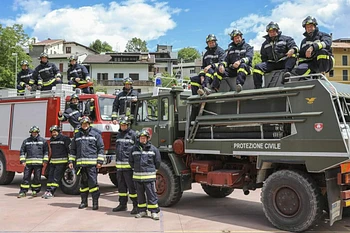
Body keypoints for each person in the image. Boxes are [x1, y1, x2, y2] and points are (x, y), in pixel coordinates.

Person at [68, 116, 105, 210]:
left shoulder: (96, 134)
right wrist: (71, 161)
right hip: (81, 165)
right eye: (83, 124)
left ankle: (95, 203)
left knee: (93, 184)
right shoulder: (77, 135)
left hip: (92, 165)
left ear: (89, 124)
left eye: (86, 124)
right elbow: (73, 149)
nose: (85, 125)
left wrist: (100, 161)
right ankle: (84, 202)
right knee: (83, 184)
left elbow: (101, 148)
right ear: (81, 124)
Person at [253, 22, 298, 89]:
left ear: (277, 30)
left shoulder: (287, 39)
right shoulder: (265, 44)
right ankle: (258, 88)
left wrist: (292, 50)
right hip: (272, 64)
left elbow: (295, 47)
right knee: (257, 67)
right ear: (268, 32)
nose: (272, 33)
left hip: (284, 62)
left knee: (294, 56)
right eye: (270, 31)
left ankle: (286, 75)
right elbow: (263, 57)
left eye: (273, 31)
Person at [129, 129, 161, 220]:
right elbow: (130, 161)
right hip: (137, 178)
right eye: (141, 138)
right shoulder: (133, 149)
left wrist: (153, 171)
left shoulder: (154, 149)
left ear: (148, 139)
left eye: (144, 138)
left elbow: (157, 162)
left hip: (149, 178)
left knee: (151, 195)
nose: (142, 140)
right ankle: (142, 211)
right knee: (140, 195)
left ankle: (154, 212)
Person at [112, 116, 138, 214]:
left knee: (132, 187)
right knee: (121, 187)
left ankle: (136, 206)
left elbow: (136, 150)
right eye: (121, 125)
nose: (123, 127)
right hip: (119, 167)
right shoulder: (118, 135)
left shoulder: (133, 135)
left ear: (128, 125)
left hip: (129, 167)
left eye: (124, 125)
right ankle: (122, 205)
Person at [18, 126, 49, 198]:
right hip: (28, 163)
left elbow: (46, 151)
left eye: (35, 132)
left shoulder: (43, 141)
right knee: (26, 177)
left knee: (37, 178)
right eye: (33, 132)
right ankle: (23, 192)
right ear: (31, 133)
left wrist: (45, 161)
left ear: (38, 133)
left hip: (38, 163)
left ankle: (35, 191)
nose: (34, 134)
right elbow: (22, 151)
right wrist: (22, 160)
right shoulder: (26, 141)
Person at [42, 125, 71, 199]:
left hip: (61, 162)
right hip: (53, 162)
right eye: (52, 132)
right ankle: (48, 190)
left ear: (58, 132)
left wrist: (70, 161)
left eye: (55, 132)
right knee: (50, 177)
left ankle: (51, 192)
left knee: (56, 178)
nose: (53, 134)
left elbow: (70, 151)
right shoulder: (52, 140)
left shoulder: (65, 139)